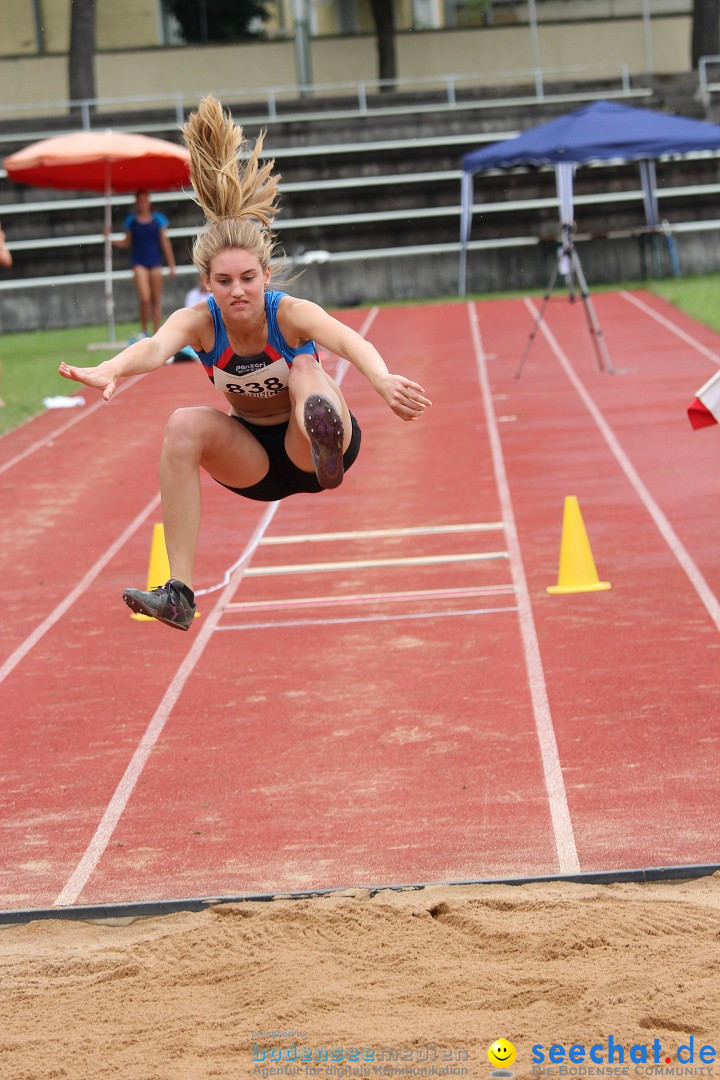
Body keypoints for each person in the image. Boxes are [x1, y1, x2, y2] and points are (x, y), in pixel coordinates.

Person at [59, 96, 431, 632]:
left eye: (248, 279)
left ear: (266, 274)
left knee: (306, 370)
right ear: (207, 282)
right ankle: (179, 594)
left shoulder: (293, 314)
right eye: (224, 281)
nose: (237, 291)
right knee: (183, 424)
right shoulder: (200, 322)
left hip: (313, 446)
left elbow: (350, 342)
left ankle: (326, 442)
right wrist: (114, 368)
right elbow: (155, 347)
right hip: (255, 460)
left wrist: (381, 379)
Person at [110, 190, 176, 336]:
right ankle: (145, 331)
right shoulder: (132, 221)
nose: (142, 203)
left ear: (149, 201)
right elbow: (127, 242)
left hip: (155, 262)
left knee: (156, 299)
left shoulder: (158, 219)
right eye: (140, 200)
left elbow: (165, 242)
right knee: (145, 299)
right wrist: (109, 239)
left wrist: (172, 265)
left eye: (144, 200)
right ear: (136, 203)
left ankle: (158, 333)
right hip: (139, 262)